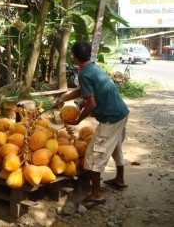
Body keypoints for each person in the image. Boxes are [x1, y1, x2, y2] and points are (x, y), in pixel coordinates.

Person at [54, 41, 129, 209]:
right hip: (121, 113)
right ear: (89, 55)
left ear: (74, 57)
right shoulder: (92, 68)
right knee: (115, 146)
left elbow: (91, 104)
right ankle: (120, 180)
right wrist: (63, 98)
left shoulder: (84, 73)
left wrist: (77, 120)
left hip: (110, 118)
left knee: (93, 154)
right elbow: (83, 91)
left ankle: (96, 194)